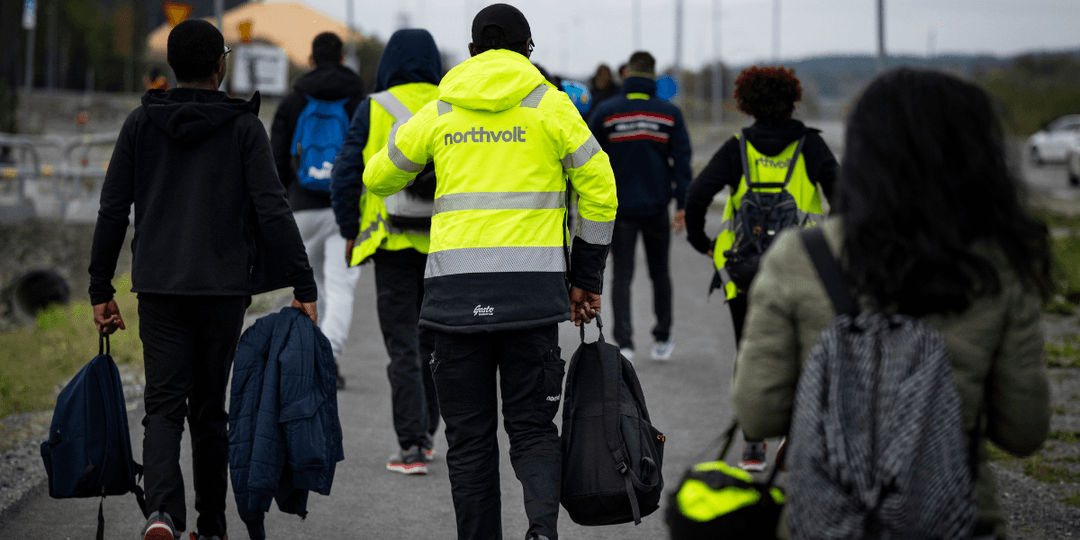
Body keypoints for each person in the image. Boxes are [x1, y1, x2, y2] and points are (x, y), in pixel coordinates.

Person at [731, 67, 1051, 539]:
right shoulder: (997, 266)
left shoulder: (799, 257)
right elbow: (1025, 431)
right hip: (955, 522)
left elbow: (758, 413)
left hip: (824, 524)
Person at [362, 4, 618, 539]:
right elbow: (601, 191)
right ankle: (541, 530)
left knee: (470, 441)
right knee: (532, 430)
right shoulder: (552, 106)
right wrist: (586, 278)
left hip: (455, 305)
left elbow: (379, 177)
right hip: (533, 299)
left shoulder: (441, 108)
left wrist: (431, 146)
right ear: (528, 50)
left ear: (472, 51)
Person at [88, 20, 318, 540]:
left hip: (159, 286)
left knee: (163, 404)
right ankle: (211, 525)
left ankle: (162, 514)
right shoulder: (243, 128)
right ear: (220, 65)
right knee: (210, 409)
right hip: (222, 289)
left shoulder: (140, 124)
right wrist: (303, 286)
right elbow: (273, 209)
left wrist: (101, 288)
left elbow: (112, 209)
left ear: (172, 66)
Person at [683, 65, 837, 471]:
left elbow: (697, 195)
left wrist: (702, 242)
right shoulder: (811, 146)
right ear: (792, 100)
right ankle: (796, 436)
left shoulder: (737, 148)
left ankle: (753, 445)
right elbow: (846, 202)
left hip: (745, 270)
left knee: (749, 351)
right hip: (804, 269)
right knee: (805, 351)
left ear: (746, 103)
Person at [329, 28, 442, 475]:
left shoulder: (374, 106)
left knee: (402, 346)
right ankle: (427, 433)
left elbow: (345, 173)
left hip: (391, 243)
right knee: (434, 343)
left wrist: (350, 229)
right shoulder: (451, 104)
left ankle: (411, 445)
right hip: (443, 246)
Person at [270, 32, 365, 389]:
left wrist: (286, 197)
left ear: (311, 60)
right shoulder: (358, 100)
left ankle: (311, 358)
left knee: (309, 287)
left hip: (301, 208)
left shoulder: (294, 100)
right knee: (340, 288)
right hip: (345, 211)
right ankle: (327, 358)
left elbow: (276, 156)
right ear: (342, 60)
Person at [588, 51, 691, 363]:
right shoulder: (669, 113)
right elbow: (682, 163)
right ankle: (662, 339)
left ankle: (625, 344)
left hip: (619, 211)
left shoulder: (606, 111)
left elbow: (589, 161)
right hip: (657, 207)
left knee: (622, 275)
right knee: (660, 273)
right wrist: (682, 204)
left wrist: (592, 206)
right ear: (653, 75)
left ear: (628, 72)